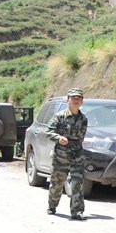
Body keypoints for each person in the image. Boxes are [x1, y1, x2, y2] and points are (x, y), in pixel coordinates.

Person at [46, 87, 89, 220]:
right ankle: (52, 205)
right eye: (73, 98)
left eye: (79, 98)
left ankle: (77, 211)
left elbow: (81, 137)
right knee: (57, 183)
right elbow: (48, 132)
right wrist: (58, 138)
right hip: (61, 156)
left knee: (78, 183)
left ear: (82, 101)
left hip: (77, 156)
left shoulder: (83, 119)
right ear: (68, 100)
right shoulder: (60, 116)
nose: (76, 100)